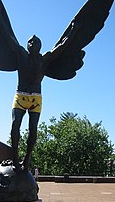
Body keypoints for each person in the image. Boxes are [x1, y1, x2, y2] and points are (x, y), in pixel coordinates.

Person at [11, 22, 80, 171]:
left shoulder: (45, 58)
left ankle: (27, 159)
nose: (31, 43)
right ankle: (15, 159)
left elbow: (62, 46)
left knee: (33, 128)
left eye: (35, 41)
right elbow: (8, 36)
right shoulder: (20, 54)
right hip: (21, 96)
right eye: (30, 41)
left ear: (40, 46)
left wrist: (74, 30)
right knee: (15, 124)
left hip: (36, 98)